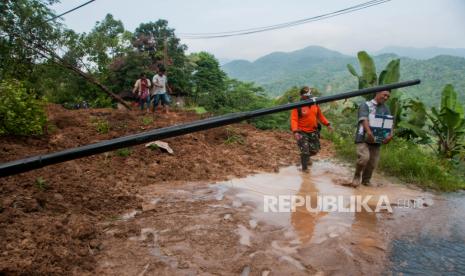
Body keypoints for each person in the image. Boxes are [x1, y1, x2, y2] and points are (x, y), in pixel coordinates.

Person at [352, 90, 393, 187]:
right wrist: (369, 132)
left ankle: (366, 181)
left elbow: (389, 122)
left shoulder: (386, 108)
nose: (386, 98)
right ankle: (357, 176)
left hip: (377, 139)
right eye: (384, 95)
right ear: (377, 93)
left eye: (388, 96)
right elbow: (364, 119)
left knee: (373, 163)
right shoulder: (365, 105)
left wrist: (390, 135)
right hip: (363, 137)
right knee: (364, 158)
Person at [291, 87, 332, 172]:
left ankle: (305, 158)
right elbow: (294, 119)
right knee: (305, 151)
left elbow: (320, 115)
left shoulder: (315, 104)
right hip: (301, 131)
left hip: (313, 131)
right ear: (302, 95)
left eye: (309, 95)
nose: (308, 97)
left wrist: (327, 124)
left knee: (314, 151)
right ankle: (304, 168)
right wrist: (295, 131)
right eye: (306, 95)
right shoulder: (297, 106)